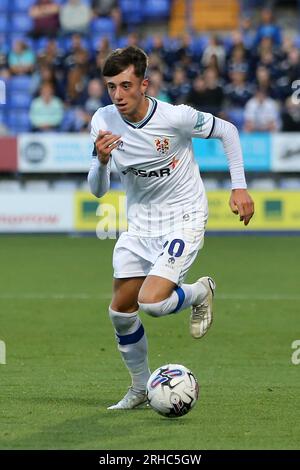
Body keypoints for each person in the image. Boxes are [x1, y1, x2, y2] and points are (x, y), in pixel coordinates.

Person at [88, 46, 254, 410]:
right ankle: (140, 389)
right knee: (120, 312)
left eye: (126, 85)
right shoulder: (102, 121)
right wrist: (100, 162)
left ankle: (198, 292)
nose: (118, 95)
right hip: (140, 226)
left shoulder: (175, 117)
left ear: (144, 85)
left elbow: (227, 131)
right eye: (111, 87)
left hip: (184, 217)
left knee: (153, 303)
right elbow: (98, 190)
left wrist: (238, 186)